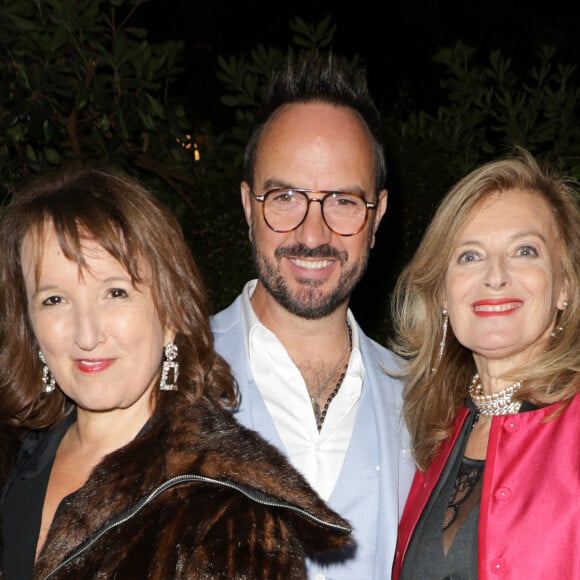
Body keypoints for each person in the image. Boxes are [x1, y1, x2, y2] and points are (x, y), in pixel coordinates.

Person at [0, 166, 354, 580]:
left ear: (170, 312)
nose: (86, 333)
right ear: (29, 322)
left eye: (116, 293)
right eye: (54, 299)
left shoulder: (225, 514)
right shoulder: (12, 461)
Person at [210, 50, 415, 578]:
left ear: (378, 216)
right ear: (247, 205)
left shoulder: (422, 402)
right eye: (285, 197)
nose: (312, 234)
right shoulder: (163, 375)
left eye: (344, 201)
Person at [390, 148, 580, 579]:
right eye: (470, 256)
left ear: (564, 286)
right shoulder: (436, 433)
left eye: (525, 251)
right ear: (441, 292)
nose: (495, 276)